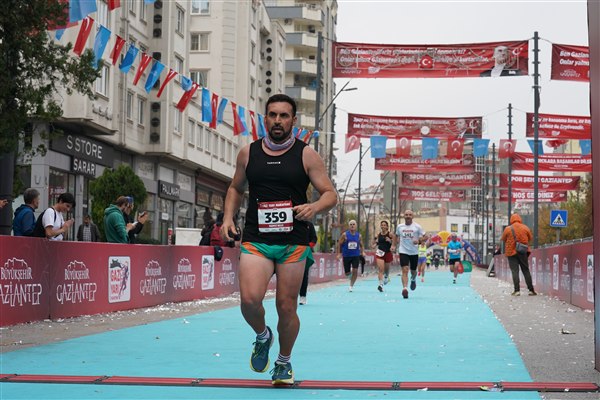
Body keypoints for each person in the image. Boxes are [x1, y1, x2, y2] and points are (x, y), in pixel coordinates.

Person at [220, 94, 337, 385]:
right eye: (272, 115)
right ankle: (263, 336)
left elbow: (330, 194)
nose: (277, 120)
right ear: (265, 118)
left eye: (284, 116)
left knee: (286, 307)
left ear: (293, 121)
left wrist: (314, 207)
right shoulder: (248, 153)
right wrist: (227, 218)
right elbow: (235, 188)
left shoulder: (306, 154)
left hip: (293, 242)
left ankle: (284, 362)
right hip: (256, 238)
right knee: (249, 301)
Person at [501, 213, 537, 296]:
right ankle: (531, 290)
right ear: (520, 219)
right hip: (522, 252)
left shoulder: (508, 229)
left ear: (511, 220)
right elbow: (530, 238)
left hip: (511, 252)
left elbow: (503, 238)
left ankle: (517, 290)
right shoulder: (525, 228)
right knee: (526, 270)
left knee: (515, 271)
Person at [393, 210, 425, 299]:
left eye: (410, 215)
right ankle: (405, 289)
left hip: (414, 252)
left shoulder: (417, 227)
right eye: (406, 215)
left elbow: (425, 236)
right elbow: (396, 235)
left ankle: (413, 279)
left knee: (413, 271)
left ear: (412, 216)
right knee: (405, 269)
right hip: (403, 251)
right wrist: (393, 245)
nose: (408, 216)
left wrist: (419, 241)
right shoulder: (400, 226)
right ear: (404, 216)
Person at [338, 220, 364, 292]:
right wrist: (339, 253)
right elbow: (339, 244)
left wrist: (363, 252)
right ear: (349, 226)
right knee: (347, 273)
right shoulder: (345, 235)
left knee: (355, 270)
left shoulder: (359, 235)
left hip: (355, 255)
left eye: (353, 224)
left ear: (356, 226)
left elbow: (361, 245)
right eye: (351, 224)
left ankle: (351, 286)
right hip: (346, 255)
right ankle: (350, 277)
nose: (352, 226)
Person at [299, 221, 317, 305]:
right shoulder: (290, 222)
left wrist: (307, 247)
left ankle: (303, 296)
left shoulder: (309, 224)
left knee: (304, 274)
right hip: (291, 251)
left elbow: (314, 239)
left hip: (305, 252)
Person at [374, 220, 393, 292]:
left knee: (386, 270)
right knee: (381, 269)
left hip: (387, 253)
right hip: (380, 253)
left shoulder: (390, 234)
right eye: (382, 225)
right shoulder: (378, 234)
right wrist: (375, 244)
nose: (383, 226)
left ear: (387, 226)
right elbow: (377, 242)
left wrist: (390, 241)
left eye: (384, 225)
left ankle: (386, 276)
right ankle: (380, 285)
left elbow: (395, 242)